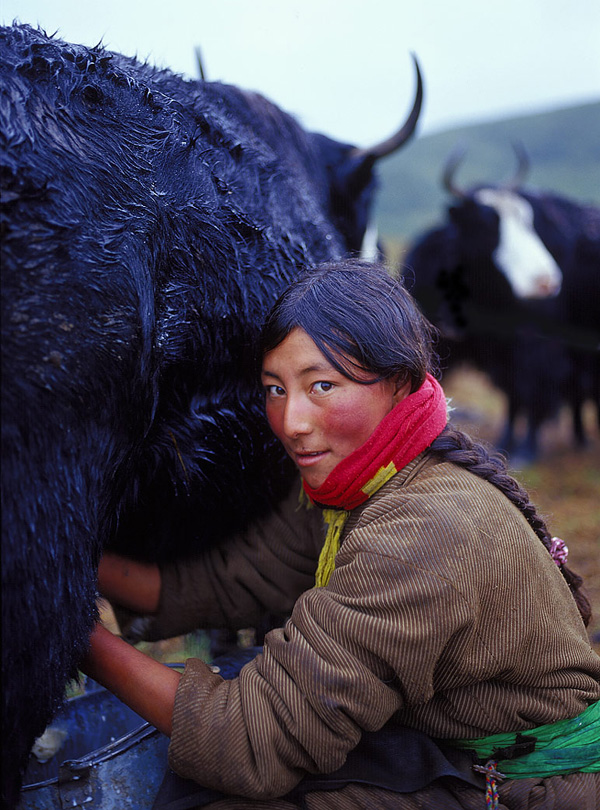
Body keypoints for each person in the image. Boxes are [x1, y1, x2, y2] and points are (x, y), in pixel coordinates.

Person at [82, 259, 600, 809]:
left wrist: (73, 636)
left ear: (400, 382)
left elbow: (248, 742)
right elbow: (237, 579)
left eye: (322, 385)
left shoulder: (425, 532)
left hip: (525, 785)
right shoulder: (360, 479)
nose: (291, 422)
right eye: (275, 389)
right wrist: (68, 570)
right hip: (450, 749)